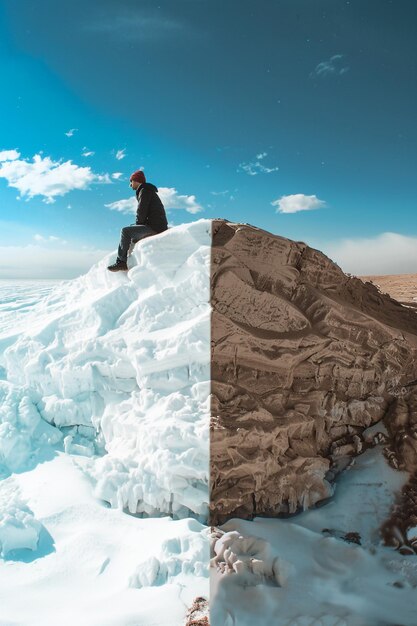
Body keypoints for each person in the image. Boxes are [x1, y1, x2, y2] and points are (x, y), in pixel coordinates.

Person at [107, 170, 168, 272]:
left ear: (136, 180)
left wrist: (138, 226)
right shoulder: (147, 190)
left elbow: (142, 210)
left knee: (125, 231)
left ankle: (121, 262)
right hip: (156, 225)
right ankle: (127, 254)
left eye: (131, 181)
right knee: (131, 228)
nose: (130, 185)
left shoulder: (144, 190)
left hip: (155, 227)